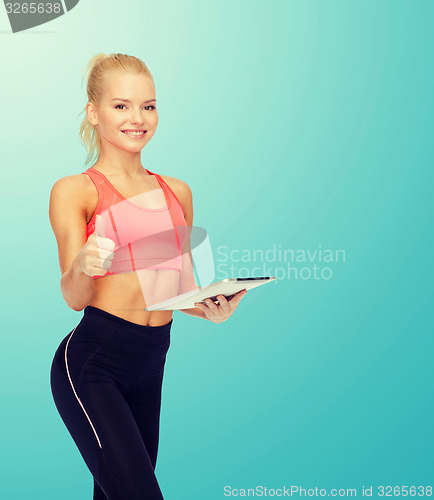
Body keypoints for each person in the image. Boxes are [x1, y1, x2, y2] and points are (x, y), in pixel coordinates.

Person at [49, 52, 247, 500]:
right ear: (93, 112)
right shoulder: (76, 190)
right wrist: (82, 265)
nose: (137, 118)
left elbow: (174, 292)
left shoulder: (176, 191)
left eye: (148, 106)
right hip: (94, 362)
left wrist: (211, 307)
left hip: (151, 363)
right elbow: (73, 296)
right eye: (121, 106)